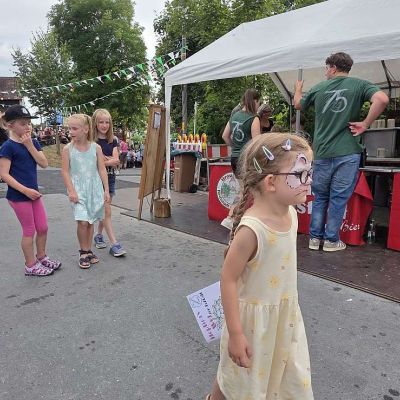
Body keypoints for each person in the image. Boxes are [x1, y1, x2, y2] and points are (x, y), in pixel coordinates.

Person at [206, 133, 314, 400]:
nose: (309, 181)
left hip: (283, 319)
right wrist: (235, 334)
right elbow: (228, 279)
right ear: (270, 182)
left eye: (310, 173)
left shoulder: (291, 214)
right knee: (239, 378)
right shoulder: (252, 230)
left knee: (277, 376)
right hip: (253, 326)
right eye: (300, 174)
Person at [294, 51, 389, 252]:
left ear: (333, 68)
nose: (325, 72)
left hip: (322, 152)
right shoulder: (359, 85)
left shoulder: (319, 88)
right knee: (338, 199)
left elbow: (297, 105)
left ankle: (314, 239)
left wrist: (298, 90)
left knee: (320, 197)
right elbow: (382, 99)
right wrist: (365, 123)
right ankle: (331, 241)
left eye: (326, 68)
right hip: (347, 152)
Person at [0, 105, 61, 276]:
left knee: (43, 227)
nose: (28, 127)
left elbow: (44, 163)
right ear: (10, 125)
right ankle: (30, 265)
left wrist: (29, 145)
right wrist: (25, 190)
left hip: (33, 194)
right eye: (22, 123)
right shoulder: (8, 147)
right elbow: (4, 174)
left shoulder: (32, 142)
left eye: (29, 123)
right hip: (18, 196)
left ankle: (41, 257)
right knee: (29, 230)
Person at [61, 113, 110, 269]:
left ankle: (89, 250)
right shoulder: (68, 149)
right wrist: (71, 190)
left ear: (86, 129)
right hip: (78, 189)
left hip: (94, 189)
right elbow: (65, 171)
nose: (71, 132)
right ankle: (83, 251)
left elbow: (101, 169)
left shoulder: (96, 148)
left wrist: (106, 189)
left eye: (75, 128)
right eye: (70, 128)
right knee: (82, 221)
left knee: (90, 221)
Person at [221, 89, 261, 230]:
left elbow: (225, 136)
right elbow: (257, 143)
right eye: (259, 102)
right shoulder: (253, 119)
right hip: (246, 159)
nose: (259, 105)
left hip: (234, 158)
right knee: (245, 192)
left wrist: (235, 147)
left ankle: (235, 218)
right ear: (255, 101)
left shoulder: (235, 115)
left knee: (244, 190)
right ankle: (231, 218)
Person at [91, 109, 127, 257]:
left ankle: (99, 235)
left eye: (107, 122)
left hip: (110, 178)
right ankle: (114, 244)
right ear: (95, 123)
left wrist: (102, 160)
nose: (104, 125)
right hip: (96, 179)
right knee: (107, 211)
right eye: (101, 122)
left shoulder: (113, 140)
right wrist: (107, 160)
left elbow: (116, 161)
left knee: (105, 210)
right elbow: (92, 162)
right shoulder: (91, 141)